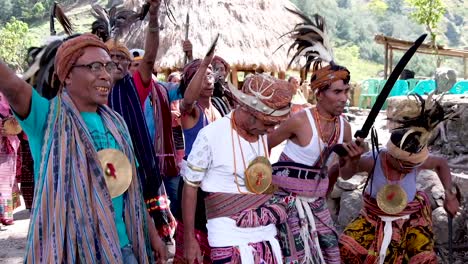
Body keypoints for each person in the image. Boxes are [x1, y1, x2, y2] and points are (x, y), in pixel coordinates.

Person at [0, 33, 166, 263]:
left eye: (108, 67)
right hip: (72, 252)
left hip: (124, 248)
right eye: (95, 67)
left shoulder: (117, 124)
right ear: (67, 75)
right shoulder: (48, 118)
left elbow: (131, 189)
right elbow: (13, 86)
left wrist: (153, 235)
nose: (106, 75)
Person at [267, 10, 361, 263]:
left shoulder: (345, 128)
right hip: (285, 201)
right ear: (320, 94)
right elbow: (262, 147)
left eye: (346, 91)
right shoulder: (300, 121)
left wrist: (353, 159)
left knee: (331, 253)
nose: (344, 98)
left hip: (317, 202)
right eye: (338, 92)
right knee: (294, 256)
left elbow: (347, 174)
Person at [182, 73, 294, 264]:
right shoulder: (210, 135)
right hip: (228, 239)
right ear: (250, 113)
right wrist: (189, 239)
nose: (271, 131)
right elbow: (190, 187)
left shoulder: (261, 136)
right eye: (268, 124)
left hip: (267, 236)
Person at [338, 95, 460, 264]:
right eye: (405, 164)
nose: (410, 168)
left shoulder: (416, 161)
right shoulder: (375, 159)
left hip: (410, 220)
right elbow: (344, 175)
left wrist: (449, 194)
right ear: (392, 155)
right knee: (346, 247)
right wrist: (352, 160)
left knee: (424, 259)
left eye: (413, 164)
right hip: (372, 218)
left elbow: (441, 163)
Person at [105, 0, 176, 241]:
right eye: (110, 56)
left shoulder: (134, 87)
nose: (117, 61)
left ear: (128, 65)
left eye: (121, 57)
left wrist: (153, 18)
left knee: (141, 236)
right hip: (101, 175)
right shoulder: (86, 96)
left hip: (136, 173)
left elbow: (149, 58)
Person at [173, 55, 221, 264]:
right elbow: (187, 101)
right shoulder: (191, 112)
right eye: (202, 77)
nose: (208, 81)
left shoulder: (218, 109)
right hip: (193, 186)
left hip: (212, 185)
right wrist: (201, 67)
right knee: (193, 241)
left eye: (210, 75)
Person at [0, 93, 21, 226]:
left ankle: (6, 215)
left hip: (7, 144)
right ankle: (5, 215)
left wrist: (13, 121)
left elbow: (18, 113)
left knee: (6, 182)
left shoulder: (6, 94)